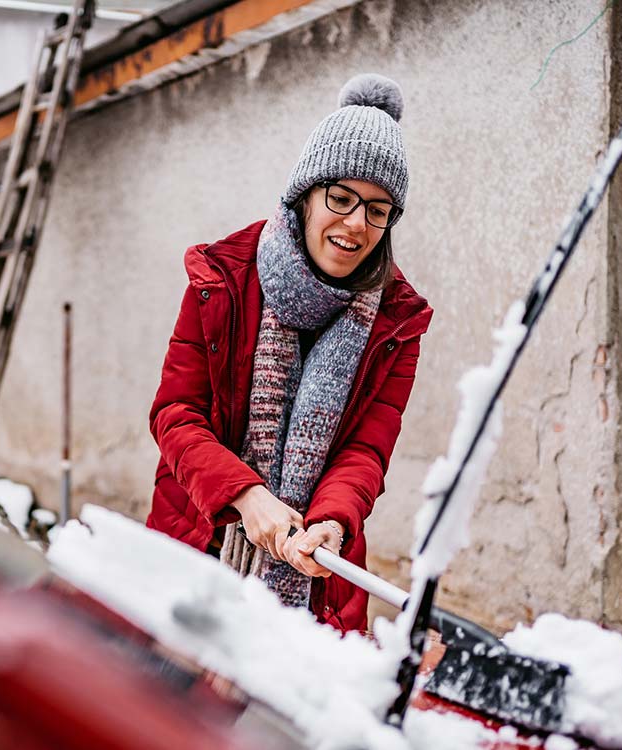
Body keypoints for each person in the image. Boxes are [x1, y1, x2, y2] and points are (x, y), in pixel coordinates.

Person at [145, 73, 433, 634]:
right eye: (341, 197)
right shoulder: (222, 278)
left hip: (315, 582)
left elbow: (365, 451)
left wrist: (331, 522)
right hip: (198, 547)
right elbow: (175, 416)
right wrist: (248, 498)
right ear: (305, 194)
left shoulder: (397, 321)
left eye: (379, 209)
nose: (356, 224)